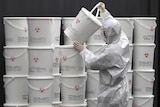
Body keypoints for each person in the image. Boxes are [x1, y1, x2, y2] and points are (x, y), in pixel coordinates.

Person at [73, 2, 130, 107]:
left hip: (110, 92)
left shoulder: (111, 52)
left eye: (104, 31)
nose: (102, 33)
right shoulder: (123, 39)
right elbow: (113, 25)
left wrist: (83, 50)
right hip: (122, 87)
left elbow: (92, 62)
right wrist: (103, 11)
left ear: (107, 34)